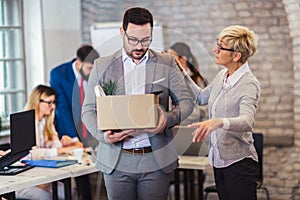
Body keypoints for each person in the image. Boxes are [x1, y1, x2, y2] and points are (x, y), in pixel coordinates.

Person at [82, 7, 194, 200]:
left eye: (146, 40)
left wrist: (167, 119)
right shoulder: (102, 66)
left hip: (156, 158)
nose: (139, 46)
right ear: (121, 32)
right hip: (116, 159)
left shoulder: (166, 62)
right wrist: (103, 135)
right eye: (133, 39)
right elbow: (88, 110)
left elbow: (186, 102)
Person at [186, 25, 261, 200]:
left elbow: (247, 121)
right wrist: (180, 71)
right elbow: (200, 97)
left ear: (236, 55)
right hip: (220, 162)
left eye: (221, 47)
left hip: (240, 164)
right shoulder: (222, 76)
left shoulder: (249, 84)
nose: (215, 49)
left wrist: (219, 122)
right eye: (216, 44)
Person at [50, 44, 99, 200]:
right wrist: (75, 139)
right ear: (79, 63)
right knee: (79, 174)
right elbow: (62, 109)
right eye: (89, 68)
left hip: (90, 128)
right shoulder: (59, 74)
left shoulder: (93, 75)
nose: (92, 73)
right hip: (70, 131)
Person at [16, 85, 82, 200]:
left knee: (71, 193)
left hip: (42, 177)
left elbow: (55, 145)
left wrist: (67, 143)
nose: (53, 107)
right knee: (46, 197)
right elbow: (31, 153)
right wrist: (63, 149)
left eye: (54, 102)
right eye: (49, 103)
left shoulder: (46, 122)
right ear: (38, 101)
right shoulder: (25, 123)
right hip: (25, 181)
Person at [168, 42, 208, 124]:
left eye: (171, 55)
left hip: (194, 128)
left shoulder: (198, 80)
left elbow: (204, 110)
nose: (168, 59)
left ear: (182, 59)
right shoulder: (169, 80)